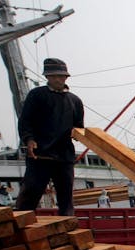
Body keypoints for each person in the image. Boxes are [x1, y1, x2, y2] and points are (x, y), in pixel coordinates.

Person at [15, 58, 84, 216]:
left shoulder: (75, 101)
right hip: (40, 155)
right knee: (31, 193)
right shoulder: (36, 95)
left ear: (66, 77)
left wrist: (81, 136)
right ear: (47, 77)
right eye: (54, 76)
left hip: (64, 156)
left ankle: (67, 225)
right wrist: (29, 140)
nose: (58, 79)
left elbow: (79, 127)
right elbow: (25, 121)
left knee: (66, 197)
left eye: (61, 76)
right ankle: (21, 225)